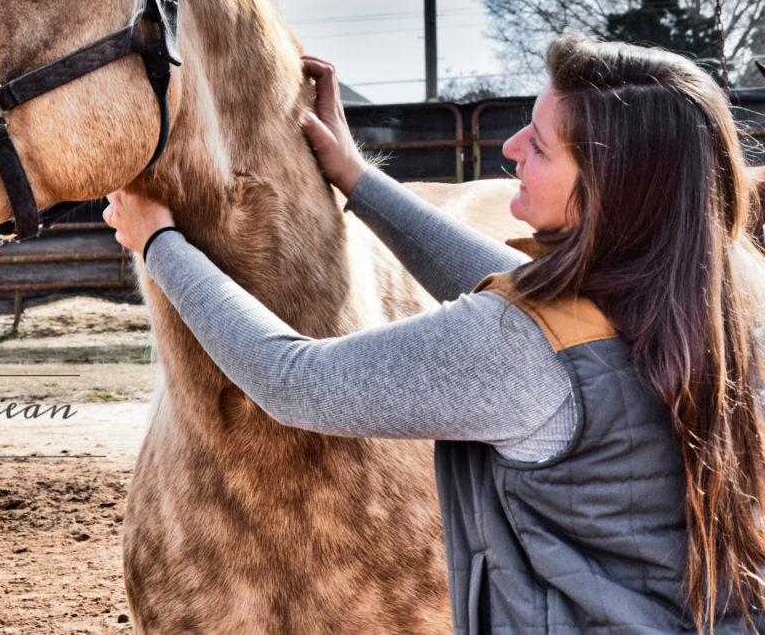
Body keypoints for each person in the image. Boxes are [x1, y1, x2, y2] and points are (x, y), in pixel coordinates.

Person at [103, 34, 765, 634]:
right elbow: (508, 282)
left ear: (607, 188)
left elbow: (292, 381)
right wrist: (355, 178)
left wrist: (158, 242)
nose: (510, 149)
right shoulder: (700, 299)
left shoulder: (520, 351)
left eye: (538, 145)